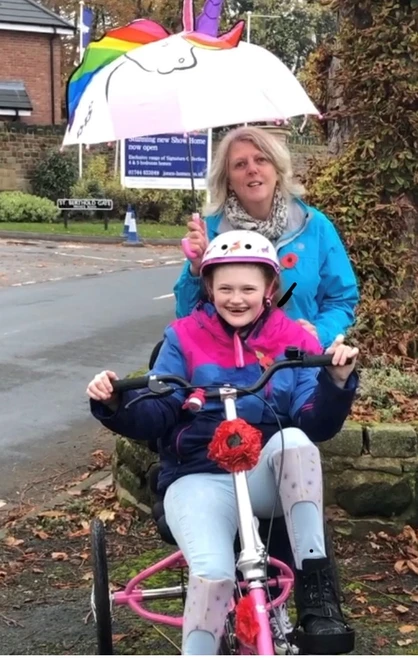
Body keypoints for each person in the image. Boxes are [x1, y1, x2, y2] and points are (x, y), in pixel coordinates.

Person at [87, 230, 358, 656]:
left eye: (248, 288)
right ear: (209, 287)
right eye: (225, 287)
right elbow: (157, 411)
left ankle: (316, 582)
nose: (236, 298)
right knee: (212, 573)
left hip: (262, 479)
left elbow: (316, 422)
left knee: (297, 440)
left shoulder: (297, 342)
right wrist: (117, 401)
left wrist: (336, 382)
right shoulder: (182, 337)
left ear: (269, 289)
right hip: (198, 478)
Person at [174, 125, 359, 348]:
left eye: (261, 160)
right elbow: (186, 314)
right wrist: (196, 270)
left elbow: (342, 299)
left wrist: (320, 332)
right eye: (240, 164)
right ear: (228, 180)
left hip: (296, 364)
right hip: (229, 368)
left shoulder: (313, 226)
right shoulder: (211, 233)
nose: (252, 169)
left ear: (277, 171)